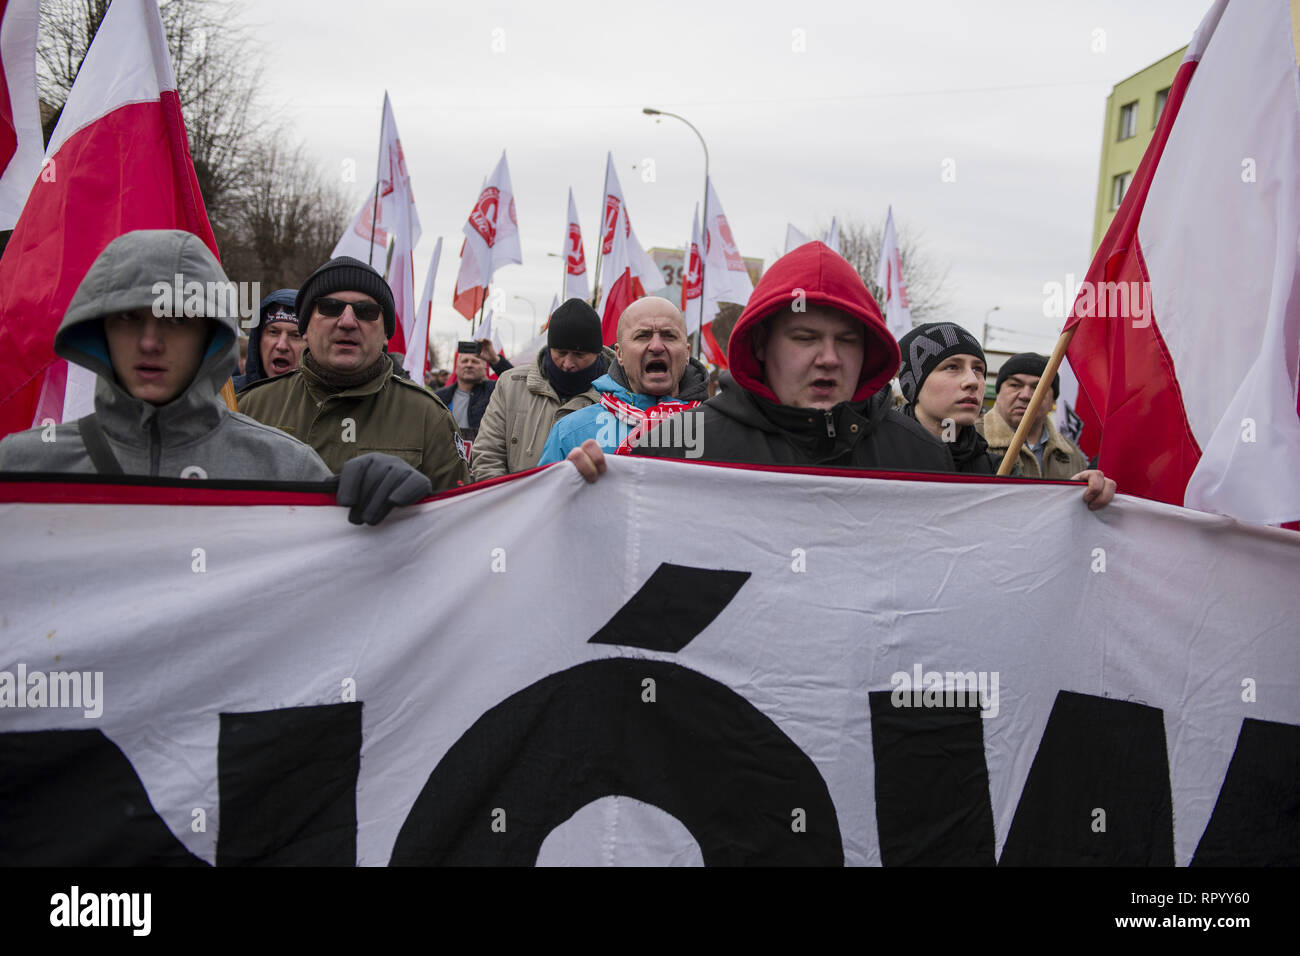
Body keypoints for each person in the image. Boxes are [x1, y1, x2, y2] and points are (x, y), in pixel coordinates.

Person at [570, 243, 1116, 509]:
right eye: (806, 338)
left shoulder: (920, 456)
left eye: (848, 340)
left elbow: (975, 573)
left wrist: (1065, 515)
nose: (828, 358)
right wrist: (579, 497)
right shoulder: (675, 448)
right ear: (762, 345)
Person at [0, 230, 433, 525]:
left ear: (212, 334)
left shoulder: (288, 468)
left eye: (177, 321)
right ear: (99, 330)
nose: (150, 342)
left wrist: (406, 520)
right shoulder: (21, 467)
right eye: (129, 318)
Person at [237, 255, 469, 492]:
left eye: (366, 311)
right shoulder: (248, 407)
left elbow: (458, 519)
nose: (347, 321)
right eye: (330, 308)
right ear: (305, 328)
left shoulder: (429, 418)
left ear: (386, 335)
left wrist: (420, 501)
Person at [536, 297, 708, 463]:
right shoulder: (570, 433)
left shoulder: (717, 430)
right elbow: (545, 492)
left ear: (686, 353)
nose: (656, 346)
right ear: (620, 354)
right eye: (643, 336)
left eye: (669, 335)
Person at [471, 298, 615, 480]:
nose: (568, 363)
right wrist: (507, 502)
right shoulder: (511, 384)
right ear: (549, 348)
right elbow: (487, 455)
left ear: (596, 353)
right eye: (561, 353)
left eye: (579, 355)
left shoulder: (618, 393)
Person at [896, 322, 1001, 474]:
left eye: (978, 369)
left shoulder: (998, 471)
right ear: (913, 385)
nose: (972, 381)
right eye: (952, 367)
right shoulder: (874, 457)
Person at [977, 352, 1089, 479]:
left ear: (1052, 401)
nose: (1026, 395)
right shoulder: (968, 439)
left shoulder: (1072, 454)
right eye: (1015, 385)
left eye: (1038, 387)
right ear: (998, 394)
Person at [435, 340, 513, 435]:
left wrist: (494, 359)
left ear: (485, 368)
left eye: (475, 361)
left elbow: (516, 384)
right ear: (456, 367)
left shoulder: (494, 391)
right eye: (464, 361)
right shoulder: (439, 396)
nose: (469, 365)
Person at [232, 289, 303, 390]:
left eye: (295, 335)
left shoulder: (324, 402)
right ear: (258, 341)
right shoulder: (229, 397)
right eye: (273, 332)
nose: (281, 346)